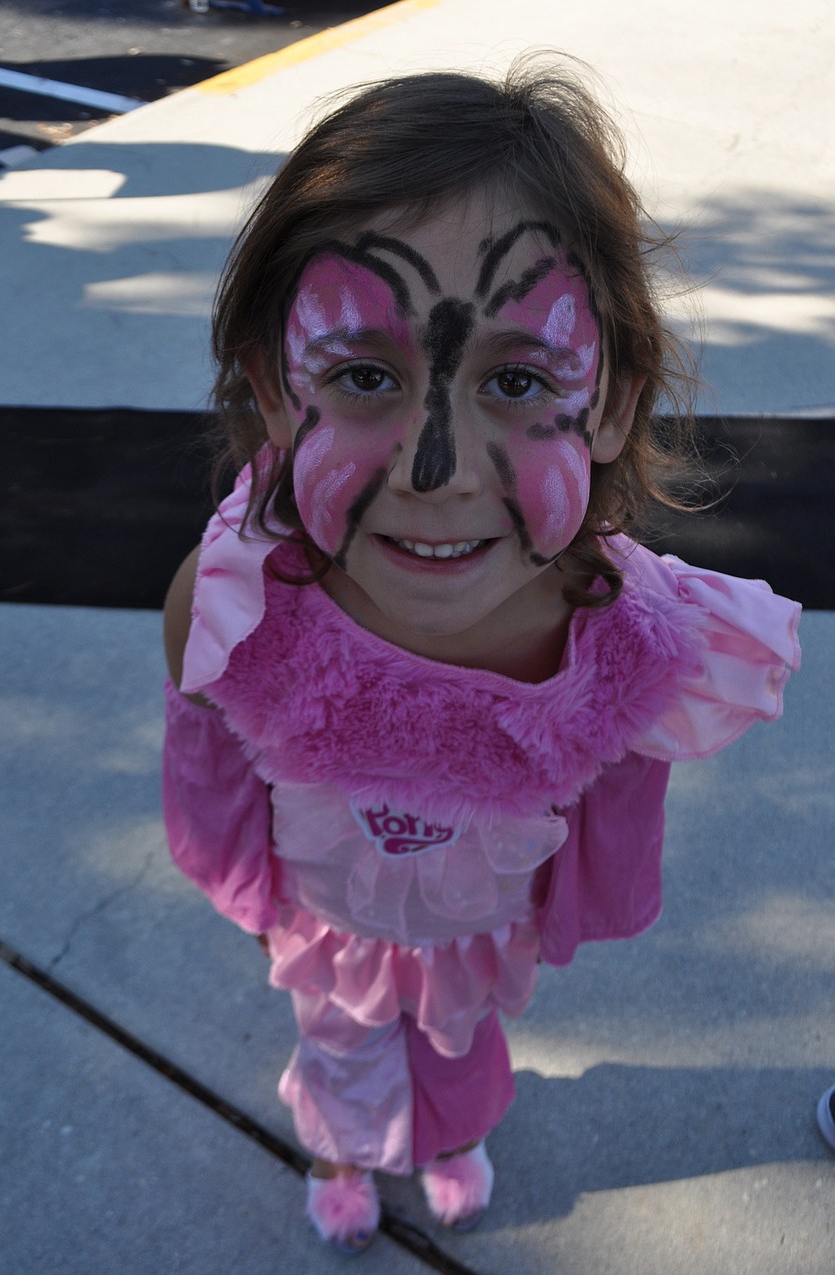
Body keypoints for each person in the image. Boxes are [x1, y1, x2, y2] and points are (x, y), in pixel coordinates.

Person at [161, 60, 801, 1254]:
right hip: (328, 916)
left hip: (476, 926)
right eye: (362, 376)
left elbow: (618, 796)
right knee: (338, 1034)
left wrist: (562, 915)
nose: (437, 469)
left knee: (463, 1037)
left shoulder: (630, 640)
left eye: (517, 378)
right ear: (273, 389)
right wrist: (249, 896)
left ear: (610, 402)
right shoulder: (242, 603)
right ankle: (341, 1145)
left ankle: (451, 1134)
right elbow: (207, 757)